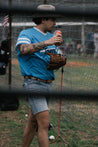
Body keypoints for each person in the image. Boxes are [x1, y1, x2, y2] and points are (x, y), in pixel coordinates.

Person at [15, 4, 63, 147]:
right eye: (52, 19)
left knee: (33, 121)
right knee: (44, 124)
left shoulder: (52, 37)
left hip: (48, 83)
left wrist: (60, 59)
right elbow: (23, 49)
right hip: (33, 83)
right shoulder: (27, 34)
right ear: (43, 19)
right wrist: (47, 42)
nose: (55, 23)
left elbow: (54, 57)